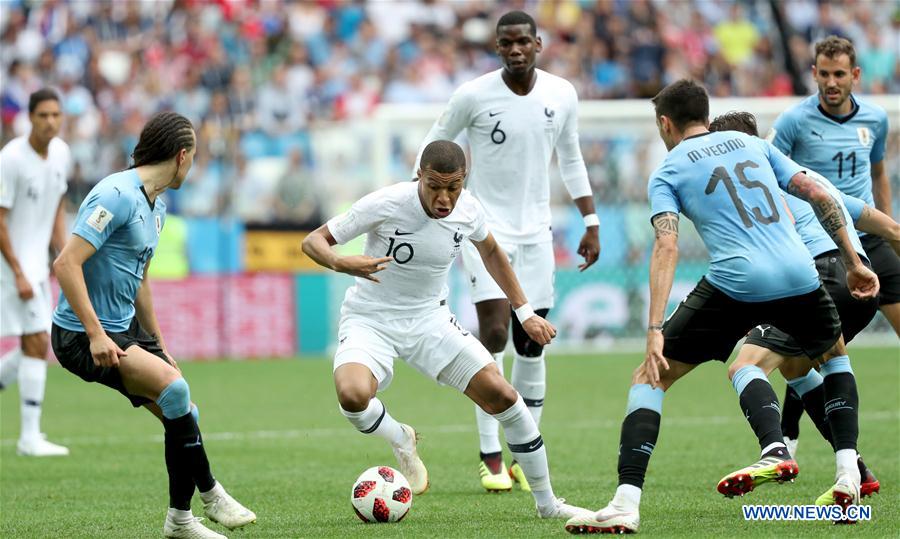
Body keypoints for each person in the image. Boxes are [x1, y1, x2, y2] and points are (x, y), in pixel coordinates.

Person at [565, 80, 879, 535]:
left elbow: (666, 245)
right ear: (707, 117)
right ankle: (848, 472)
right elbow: (816, 192)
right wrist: (853, 261)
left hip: (737, 282)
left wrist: (655, 327)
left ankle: (625, 502)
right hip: (799, 272)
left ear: (664, 123)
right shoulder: (751, 143)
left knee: (651, 376)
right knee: (833, 355)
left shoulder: (668, 171)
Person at [302, 140, 589, 520]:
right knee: (353, 395)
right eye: (434, 186)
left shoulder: (468, 209)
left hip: (430, 321)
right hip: (371, 317)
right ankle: (400, 437)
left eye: (452, 187)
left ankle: (548, 505)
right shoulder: (386, 202)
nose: (444, 197)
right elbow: (313, 241)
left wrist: (524, 312)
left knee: (504, 396)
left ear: (463, 182)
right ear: (419, 176)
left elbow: (491, 253)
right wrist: (342, 263)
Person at [414, 10, 601, 493]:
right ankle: (490, 453)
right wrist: (434, 201)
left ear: (538, 44)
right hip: (483, 231)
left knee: (531, 342)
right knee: (496, 330)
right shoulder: (474, 95)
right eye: (506, 43)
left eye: (523, 42)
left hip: (538, 233)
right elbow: (432, 147)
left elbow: (572, 156)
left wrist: (591, 219)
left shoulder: (561, 94)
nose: (515, 50)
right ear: (497, 47)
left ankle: (525, 450)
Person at [51, 112, 255, 539]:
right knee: (177, 392)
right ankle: (211, 494)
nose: (193, 166)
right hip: (77, 335)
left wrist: (159, 344)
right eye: (194, 157)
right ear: (182, 156)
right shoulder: (115, 194)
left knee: (184, 413)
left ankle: (180, 520)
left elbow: (138, 277)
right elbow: (66, 263)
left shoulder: (156, 205)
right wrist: (95, 334)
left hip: (124, 330)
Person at [710, 110, 900, 505]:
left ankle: (775, 451)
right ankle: (853, 473)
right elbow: (890, 228)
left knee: (745, 366)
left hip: (817, 277)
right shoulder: (809, 180)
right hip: (857, 277)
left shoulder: (749, 192)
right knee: (803, 366)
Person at [768, 35, 899, 453]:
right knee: (818, 343)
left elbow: (878, 173)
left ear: (855, 75)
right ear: (814, 74)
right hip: (822, 248)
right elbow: (771, 176)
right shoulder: (792, 122)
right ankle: (789, 431)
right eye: (823, 74)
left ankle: (790, 430)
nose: (831, 82)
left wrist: (886, 223)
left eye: (839, 74)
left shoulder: (875, 120)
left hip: (868, 238)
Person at [0, 88, 71, 457]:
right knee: (37, 339)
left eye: (56, 115)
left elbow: (56, 209)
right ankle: (29, 436)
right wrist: (18, 272)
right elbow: (0, 221)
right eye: (43, 115)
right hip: (10, 264)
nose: (50, 122)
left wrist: (64, 257)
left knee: (38, 339)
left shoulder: (61, 154)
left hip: (38, 267)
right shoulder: (10, 159)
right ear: (30, 117)